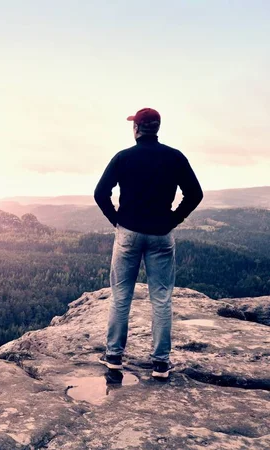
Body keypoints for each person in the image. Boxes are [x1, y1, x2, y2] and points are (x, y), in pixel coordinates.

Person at [94, 108, 203, 378]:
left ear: (137, 129)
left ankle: (114, 357)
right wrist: (173, 219)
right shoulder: (174, 157)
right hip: (161, 235)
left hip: (128, 232)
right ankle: (161, 363)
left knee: (121, 296)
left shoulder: (124, 158)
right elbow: (195, 194)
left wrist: (116, 220)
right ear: (157, 128)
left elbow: (100, 193)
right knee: (162, 299)